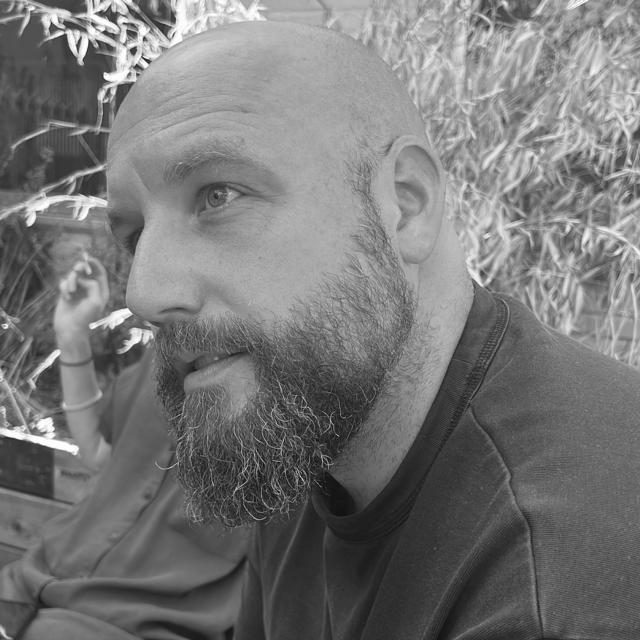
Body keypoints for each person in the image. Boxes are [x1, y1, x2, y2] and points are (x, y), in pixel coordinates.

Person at [105, 20, 640, 640]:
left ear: (406, 205)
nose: (144, 294)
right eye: (134, 234)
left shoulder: (551, 584)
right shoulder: (307, 427)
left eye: (217, 195)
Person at [0, 257, 248, 640]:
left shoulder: (290, 399)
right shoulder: (160, 360)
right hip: (29, 584)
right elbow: (97, 452)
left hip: (122, 623)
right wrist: (72, 333)